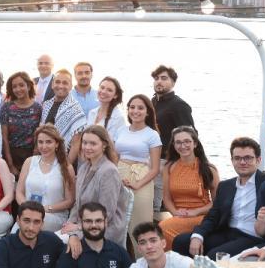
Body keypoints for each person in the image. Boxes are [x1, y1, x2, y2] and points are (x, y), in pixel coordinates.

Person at [174, 137, 265, 258]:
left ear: (258, 160)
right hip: (228, 232)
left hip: (253, 237)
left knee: (214, 255)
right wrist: (198, 236)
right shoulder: (226, 186)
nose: (242, 162)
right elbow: (212, 216)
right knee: (181, 241)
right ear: (232, 161)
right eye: (237, 158)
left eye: (248, 158)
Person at [158, 126, 219, 250]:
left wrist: (196, 211)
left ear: (195, 143)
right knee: (163, 229)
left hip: (201, 216)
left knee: (162, 228)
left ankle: (172, 258)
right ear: (174, 145)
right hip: (179, 216)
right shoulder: (169, 167)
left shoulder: (208, 169)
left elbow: (217, 203)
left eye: (187, 141)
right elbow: (167, 199)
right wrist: (175, 213)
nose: (183, 146)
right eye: (178, 142)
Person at [71, 126, 128, 247]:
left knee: (62, 245)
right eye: (85, 143)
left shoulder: (109, 171)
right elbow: (77, 203)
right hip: (83, 226)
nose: (87, 147)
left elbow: (107, 212)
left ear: (104, 145)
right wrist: (69, 224)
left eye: (93, 143)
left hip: (104, 230)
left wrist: (78, 227)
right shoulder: (83, 168)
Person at [14, 124, 75, 233]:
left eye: (48, 142)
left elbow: (69, 201)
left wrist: (46, 208)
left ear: (56, 144)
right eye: (40, 142)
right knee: (17, 231)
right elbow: (19, 192)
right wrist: (27, 208)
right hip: (28, 214)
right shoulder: (29, 162)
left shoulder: (66, 167)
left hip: (53, 215)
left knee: (32, 226)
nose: (44, 146)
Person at [114, 95, 162, 233]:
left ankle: (139, 247)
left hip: (142, 178)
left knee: (141, 220)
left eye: (140, 108)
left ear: (147, 112)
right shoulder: (121, 130)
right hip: (120, 176)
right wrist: (115, 177)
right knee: (117, 218)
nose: (135, 111)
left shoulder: (152, 135)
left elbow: (155, 169)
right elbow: (114, 158)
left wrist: (138, 184)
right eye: (132, 107)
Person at [0, 70, 43, 178]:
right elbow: (4, 137)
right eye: (14, 86)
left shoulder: (38, 108)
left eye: (21, 85)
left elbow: (40, 135)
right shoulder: (6, 107)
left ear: (29, 86)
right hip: (11, 154)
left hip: (32, 155)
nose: (18, 89)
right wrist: (10, 165)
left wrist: (34, 159)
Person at [39, 70, 86, 162]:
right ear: (52, 84)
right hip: (46, 156)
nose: (60, 86)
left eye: (65, 83)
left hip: (64, 158)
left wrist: (67, 165)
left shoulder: (75, 109)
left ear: (70, 86)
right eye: (57, 82)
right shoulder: (46, 105)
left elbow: (76, 143)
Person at [151, 65, 195, 154]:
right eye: (156, 78)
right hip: (150, 154)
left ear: (173, 83)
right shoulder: (152, 102)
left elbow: (190, 135)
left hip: (169, 158)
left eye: (164, 78)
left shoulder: (179, 105)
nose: (159, 81)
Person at [87, 76, 127, 143]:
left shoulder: (118, 117)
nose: (103, 91)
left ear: (115, 95)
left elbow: (114, 144)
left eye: (109, 90)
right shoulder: (92, 113)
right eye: (102, 87)